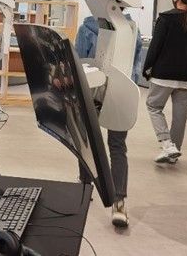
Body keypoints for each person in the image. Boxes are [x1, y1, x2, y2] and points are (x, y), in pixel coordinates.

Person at [75, 13, 143, 228]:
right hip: (116, 91)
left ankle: (86, 187)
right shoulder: (131, 28)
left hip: (96, 91)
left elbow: (79, 62)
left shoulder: (87, 27)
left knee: (88, 141)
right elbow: (135, 65)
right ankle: (117, 202)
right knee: (113, 145)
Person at [143, 0, 187, 165]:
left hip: (164, 74)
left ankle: (167, 145)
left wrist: (147, 67)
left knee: (154, 106)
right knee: (180, 119)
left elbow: (155, 46)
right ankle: (172, 153)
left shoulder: (166, 18)